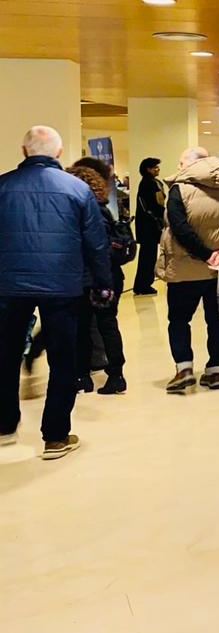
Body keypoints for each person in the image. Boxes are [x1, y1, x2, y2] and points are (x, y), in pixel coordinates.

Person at [0, 126, 112, 459]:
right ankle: (55, 436)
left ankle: (5, 425)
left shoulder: (3, 186)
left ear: (24, 151)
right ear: (59, 153)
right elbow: (96, 243)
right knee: (64, 360)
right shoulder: (77, 189)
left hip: (9, 286)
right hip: (62, 286)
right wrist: (103, 284)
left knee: (5, 356)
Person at [156, 147, 219, 394]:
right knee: (218, 319)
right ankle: (215, 371)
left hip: (184, 269)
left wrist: (205, 254)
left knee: (178, 319)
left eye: (180, 162)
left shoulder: (179, 190)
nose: (178, 168)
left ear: (191, 164)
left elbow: (179, 228)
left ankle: (184, 368)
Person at [65, 164, 131, 395]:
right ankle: (108, 375)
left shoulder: (89, 211)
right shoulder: (103, 208)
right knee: (104, 325)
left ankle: (102, 375)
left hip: (94, 277)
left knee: (91, 326)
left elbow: (95, 247)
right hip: (106, 276)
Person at [132, 156, 165, 295]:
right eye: (155, 167)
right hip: (149, 226)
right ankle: (143, 284)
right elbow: (156, 204)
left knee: (148, 255)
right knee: (148, 256)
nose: (157, 169)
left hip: (148, 225)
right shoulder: (149, 183)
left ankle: (143, 283)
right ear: (148, 169)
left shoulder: (151, 182)